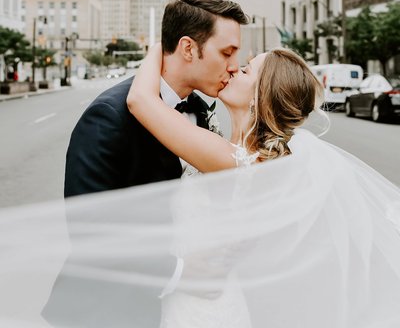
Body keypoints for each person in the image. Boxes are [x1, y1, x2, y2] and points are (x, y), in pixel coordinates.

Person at [126, 45, 400, 327]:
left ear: (260, 96)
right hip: (208, 298)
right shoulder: (241, 154)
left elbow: (140, 100)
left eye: (246, 70)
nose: (234, 69)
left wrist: (166, 41)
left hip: (207, 308)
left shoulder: (237, 162)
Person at [42, 0, 248, 328]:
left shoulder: (197, 108)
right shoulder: (108, 116)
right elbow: (89, 232)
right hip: (107, 313)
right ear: (187, 48)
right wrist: (181, 271)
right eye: (226, 52)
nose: (234, 66)